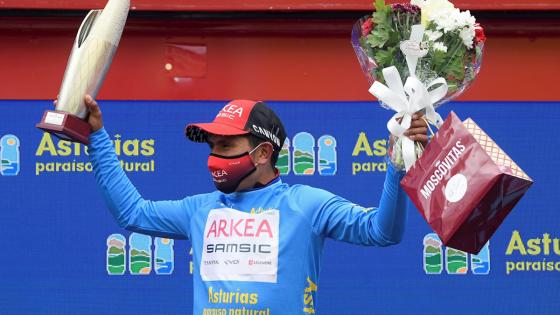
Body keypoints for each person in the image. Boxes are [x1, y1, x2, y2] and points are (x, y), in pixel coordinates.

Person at [82, 95, 428, 315]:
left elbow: (382, 232)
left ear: (263, 153)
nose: (215, 158)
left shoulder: (307, 204)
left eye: (227, 147)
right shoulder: (199, 209)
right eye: (212, 147)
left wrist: (397, 164)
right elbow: (132, 213)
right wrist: (97, 137)